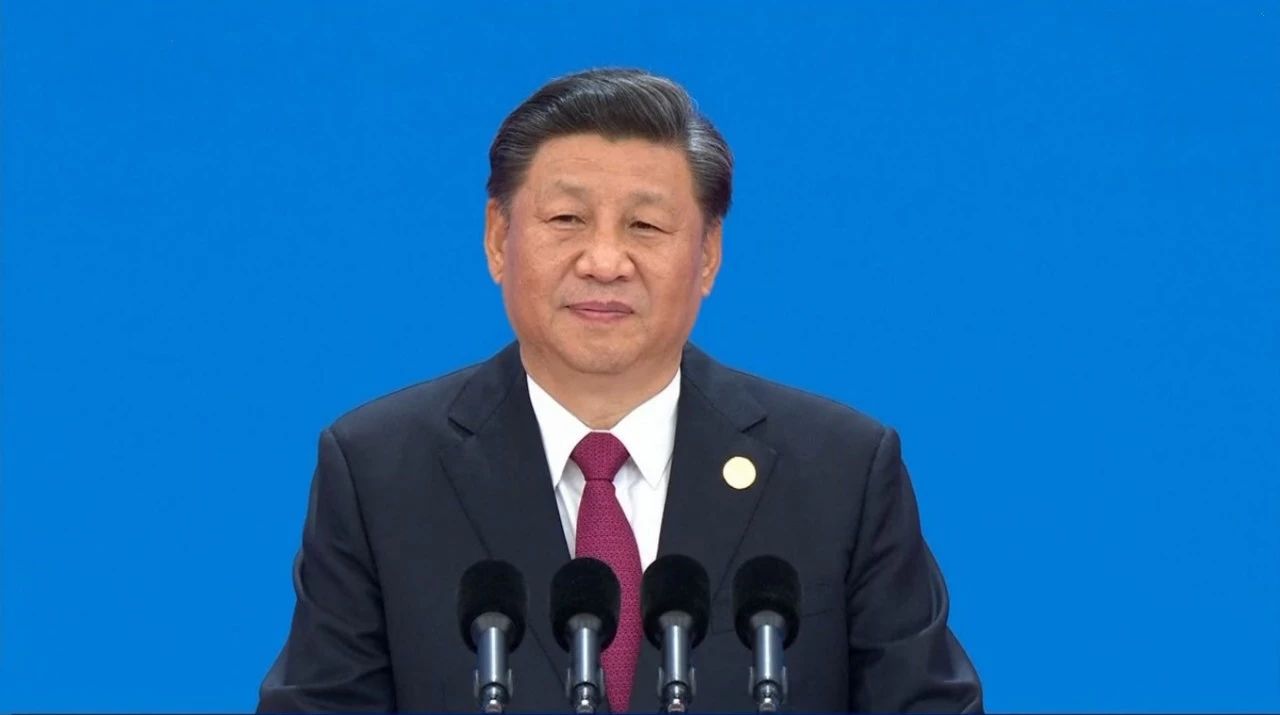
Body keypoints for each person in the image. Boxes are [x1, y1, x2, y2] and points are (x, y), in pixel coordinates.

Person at [257, 67, 982, 713]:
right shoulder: (381, 470)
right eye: (566, 219)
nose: (605, 261)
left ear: (708, 255)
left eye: (645, 225)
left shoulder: (840, 472)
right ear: (498, 239)